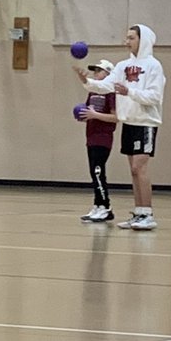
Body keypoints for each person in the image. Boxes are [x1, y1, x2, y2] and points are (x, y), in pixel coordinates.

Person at [85, 25, 165, 230]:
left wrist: (129, 92)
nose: (126, 41)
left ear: (143, 39)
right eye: (127, 37)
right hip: (129, 122)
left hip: (145, 122)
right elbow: (106, 85)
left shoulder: (154, 66)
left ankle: (148, 213)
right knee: (133, 170)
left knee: (140, 167)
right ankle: (139, 212)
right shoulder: (122, 65)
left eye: (131, 37)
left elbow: (154, 97)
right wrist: (87, 82)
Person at [73, 59, 117, 222]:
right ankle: (98, 205)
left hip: (103, 138)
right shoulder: (92, 92)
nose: (95, 73)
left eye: (99, 70)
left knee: (98, 172)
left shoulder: (110, 92)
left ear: (108, 73)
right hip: (90, 136)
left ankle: (106, 206)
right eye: (95, 71)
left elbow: (116, 117)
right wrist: (83, 116)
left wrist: (96, 116)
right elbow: (89, 111)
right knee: (94, 172)